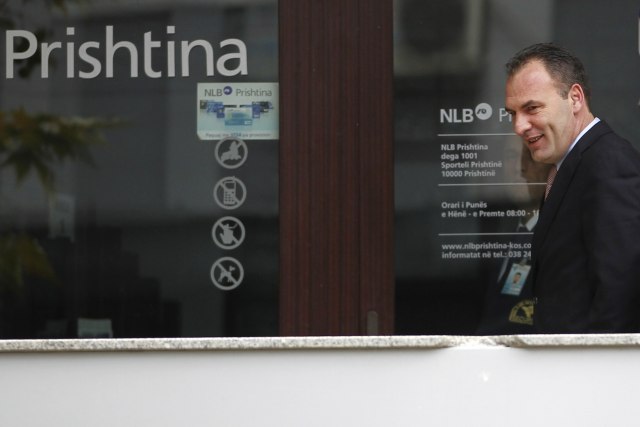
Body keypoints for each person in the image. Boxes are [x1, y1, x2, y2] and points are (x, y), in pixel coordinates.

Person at [504, 43, 640, 333]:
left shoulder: (608, 163)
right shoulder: (571, 164)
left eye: (532, 108)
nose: (519, 126)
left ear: (575, 98)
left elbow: (621, 291)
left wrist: (589, 358)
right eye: (512, 113)